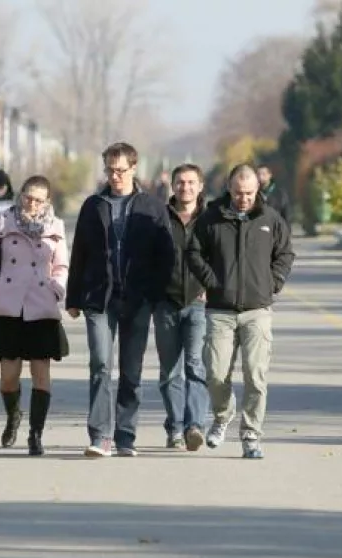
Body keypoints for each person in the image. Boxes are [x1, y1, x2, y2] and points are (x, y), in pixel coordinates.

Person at [66, 142, 175, 458]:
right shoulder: (93, 205)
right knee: (100, 363)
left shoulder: (151, 206)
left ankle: (125, 435)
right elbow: (80, 254)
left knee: (131, 369)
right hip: (98, 297)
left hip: (137, 299)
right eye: (110, 170)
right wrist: (73, 297)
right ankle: (100, 435)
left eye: (120, 170)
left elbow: (165, 255)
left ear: (133, 169)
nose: (114, 176)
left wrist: (157, 294)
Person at [187, 163, 295, 459]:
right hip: (220, 310)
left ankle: (251, 434)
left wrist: (274, 281)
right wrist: (211, 280)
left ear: (257, 189)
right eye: (237, 193)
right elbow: (193, 252)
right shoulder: (211, 218)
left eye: (248, 193)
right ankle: (223, 415)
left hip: (257, 310)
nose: (243, 199)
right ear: (229, 189)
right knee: (215, 374)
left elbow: (285, 253)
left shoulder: (270, 219)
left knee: (255, 375)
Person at [0, 175, 69, 456]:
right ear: (20, 196)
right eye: (28, 197)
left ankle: (36, 434)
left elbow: (61, 266)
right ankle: (13, 414)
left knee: (41, 373)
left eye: (38, 199)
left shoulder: (56, 227)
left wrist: (57, 289)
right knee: (8, 377)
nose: (32, 203)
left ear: (47, 202)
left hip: (41, 305)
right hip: (9, 306)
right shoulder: (2, 223)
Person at [153, 163, 210, 451]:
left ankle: (195, 425)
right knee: (170, 370)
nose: (185, 187)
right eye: (180, 182)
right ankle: (175, 427)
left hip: (200, 304)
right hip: (165, 303)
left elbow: (223, 258)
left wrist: (213, 288)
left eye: (191, 182)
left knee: (196, 365)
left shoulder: (211, 219)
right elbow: (145, 258)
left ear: (201, 186)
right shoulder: (159, 217)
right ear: (172, 186)